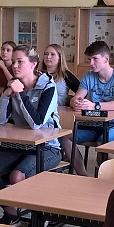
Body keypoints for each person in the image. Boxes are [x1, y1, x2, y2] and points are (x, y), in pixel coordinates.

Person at [0, 45, 62, 225]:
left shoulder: (48, 87)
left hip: (47, 147)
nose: (14, 66)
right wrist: (6, 95)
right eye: (13, 62)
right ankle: (12, 214)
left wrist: (20, 94)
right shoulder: (13, 85)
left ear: (33, 64)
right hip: (20, 145)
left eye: (20, 62)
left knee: (17, 176)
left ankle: (39, 216)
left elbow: (36, 123)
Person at [70, 41, 114, 144]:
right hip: (94, 124)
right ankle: (77, 156)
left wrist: (94, 106)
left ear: (106, 59)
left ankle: (104, 155)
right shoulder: (88, 75)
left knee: (102, 142)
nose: (91, 63)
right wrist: (76, 103)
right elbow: (76, 97)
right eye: (89, 59)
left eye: (95, 59)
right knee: (65, 137)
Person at [40, 43, 87, 176]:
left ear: (60, 57)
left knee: (66, 139)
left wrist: (70, 101)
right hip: (42, 116)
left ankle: (82, 174)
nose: (48, 57)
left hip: (60, 117)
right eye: (46, 54)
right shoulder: (38, 74)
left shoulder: (66, 75)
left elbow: (82, 92)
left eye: (52, 54)